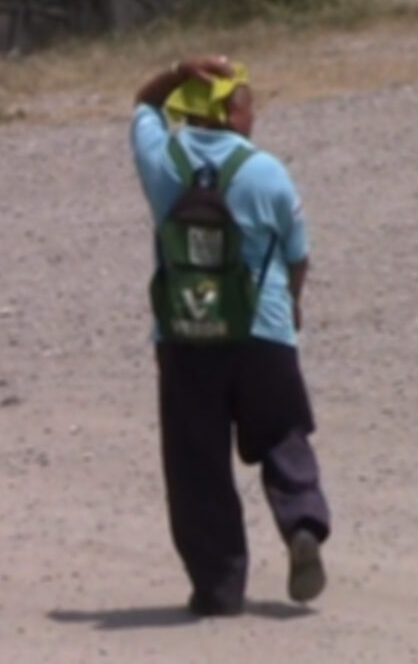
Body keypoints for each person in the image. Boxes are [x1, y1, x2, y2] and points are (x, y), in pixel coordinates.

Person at [129, 55, 332, 617]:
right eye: (247, 102)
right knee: (282, 434)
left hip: (185, 336)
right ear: (229, 112)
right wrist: (290, 306)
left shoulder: (162, 163)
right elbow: (298, 253)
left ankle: (217, 588)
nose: (255, 112)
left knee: (197, 463)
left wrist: (176, 68)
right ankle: (301, 527)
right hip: (261, 331)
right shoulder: (266, 171)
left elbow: (143, 104)